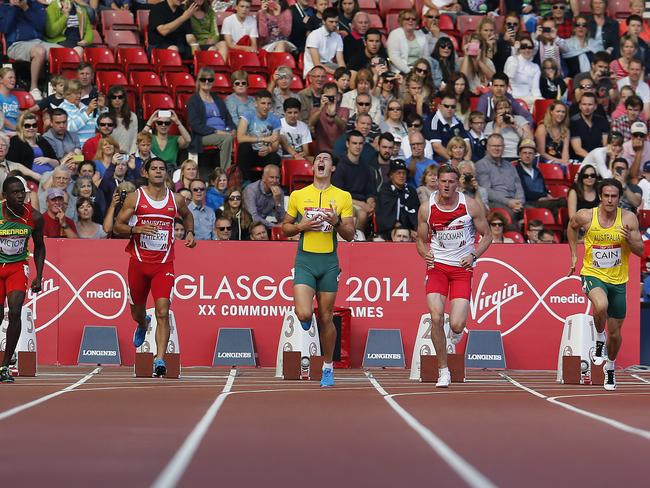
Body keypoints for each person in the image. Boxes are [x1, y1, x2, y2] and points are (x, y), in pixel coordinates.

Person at [114, 158, 196, 377]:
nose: (158, 172)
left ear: (166, 174)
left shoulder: (175, 199)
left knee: (163, 310)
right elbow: (117, 226)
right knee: (136, 313)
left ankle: (159, 359)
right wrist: (136, 229)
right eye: (154, 169)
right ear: (145, 172)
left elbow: (188, 216)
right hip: (139, 263)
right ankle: (142, 323)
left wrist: (189, 233)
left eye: (162, 169)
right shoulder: (136, 197)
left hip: (164, 264)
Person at [281, 151, 355, 387]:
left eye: (326, 159)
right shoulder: (299, 195)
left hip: (329, 262)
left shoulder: (343, 197)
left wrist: (336, 222)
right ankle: (305, 323)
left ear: (332, 168)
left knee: (325, 318)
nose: (321, 161)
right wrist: (301, 226)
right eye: (317, 160)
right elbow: (285, 227)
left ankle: (327, 368)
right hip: (305, 260)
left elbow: (350, 235)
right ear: (313, 168)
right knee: (304, 313)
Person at [416, 165, 492, 388]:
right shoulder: (426, 208)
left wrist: (474, 255)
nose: (447, 185)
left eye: (451, 181)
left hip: (461, 269)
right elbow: (420, 240)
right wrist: (425, 254)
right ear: (437, 182)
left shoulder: (469, 205)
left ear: (457, 183)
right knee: (437, 317)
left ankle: (456, 332)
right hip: (437, 267)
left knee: (457, 325)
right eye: (443, 181)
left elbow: (487, 235)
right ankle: (443, 370)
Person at [568, 178, 644, 390]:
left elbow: (640, 251)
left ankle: (610, 367)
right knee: (601, 306)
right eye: (606, 196)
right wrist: (574, 254)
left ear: (619, 198)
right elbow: (571, 227)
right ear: (600, 197)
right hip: (592, 274)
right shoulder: (586, 215)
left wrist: (629, 238)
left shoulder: (628, 219)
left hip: (618, 280)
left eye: (614, 196)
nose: (610, 200)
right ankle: (598, 339)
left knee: (616, 334)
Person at [0, 176, 45, 383]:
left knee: (16, 310)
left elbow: (40, 247)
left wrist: (39, 274)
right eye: (15, 192)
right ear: (5, 196)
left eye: (22, 192)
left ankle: (4, 365)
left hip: (17, 266)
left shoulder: (34, 216)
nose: (20, 196)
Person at [0, 1, 60, 100]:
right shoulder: (4, 7)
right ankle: (34, 88)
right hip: (16, 44)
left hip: (38, 41)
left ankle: (58, 87)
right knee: (39, 51)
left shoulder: (35, 5)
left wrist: (25, 8)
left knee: (62, 52)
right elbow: (5, 28)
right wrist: (13, 8)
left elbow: (41, 26)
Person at [187, 67, 236, 169]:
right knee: (227, 138)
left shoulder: (217, 98)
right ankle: (225, 173)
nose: (207, 82)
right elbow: (195, 126)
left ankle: (241, 175)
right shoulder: (193, 100)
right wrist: (216, 131)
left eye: (210, 80)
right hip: (204, 135)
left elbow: (228, 118)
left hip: (224, 132)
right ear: (198, 80)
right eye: (203, 79)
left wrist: (232, 129)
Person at [475, 133, 525, 220]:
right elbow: (487, 191)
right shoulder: (481, 165)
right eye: (493, 146)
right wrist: (508, 202)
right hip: (495, 203)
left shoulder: (510, 166)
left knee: (534, 212)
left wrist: (520, 202)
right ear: (487, 147)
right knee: (510, 214)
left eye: (499, 146)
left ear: (504, 147)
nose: (497, 148)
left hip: (515, 202)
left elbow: (518, 187)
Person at [236, 89, 282, 180]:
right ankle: (245, 182)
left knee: (275, 157)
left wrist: (269, 149)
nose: (266, 107)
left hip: (264, 154)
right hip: (250, 153)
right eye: (263, 103)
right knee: (244, 147)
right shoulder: (247, 115)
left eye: (269, 104)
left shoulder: (275, 119)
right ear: (256, 104)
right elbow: (240, 138)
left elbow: (275, 145)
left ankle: (269, 184)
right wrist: (263, 139)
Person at [376, 160, 419, 240]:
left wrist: (414, 229)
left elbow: (417, 213)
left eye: (404, 173)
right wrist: (405, 230)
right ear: (391, 175)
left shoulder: (411, 192)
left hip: (412, 232)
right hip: (389, 231)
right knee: (401, 235)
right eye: (398, 173)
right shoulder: (384, 192)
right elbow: (383, 216)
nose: (402, 176)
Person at [7, 112, 58, 177]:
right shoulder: (15, 141)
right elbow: (12, 164)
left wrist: (48, 160)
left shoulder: (42, 140)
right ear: (21, 127)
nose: (31, 128)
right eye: (27, 126)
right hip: (30, 178)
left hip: (52, 175)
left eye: (34, 125)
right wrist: (35, 176)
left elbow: (57, 163)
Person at [303, 7, 345, 77]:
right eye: (331, 22)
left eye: (336, 22)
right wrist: (336, 73)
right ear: (323, 21)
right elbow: (317, 64)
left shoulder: (338, 37)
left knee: (348, 74)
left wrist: (344, 73)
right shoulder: (314, 35)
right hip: (313, 69)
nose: (334, 24)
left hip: (329, 66)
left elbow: (341, 62)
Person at [243, 164, 285, 230]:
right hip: (246, 225)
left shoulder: (279, 192)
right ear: (263, 178)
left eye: (277, 178)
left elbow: (281, 219)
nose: (274, 181)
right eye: (271, 177)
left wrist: (277, 201)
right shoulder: (251, 190)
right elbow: (253, 217)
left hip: (264, 226)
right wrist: (274, 226)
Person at [386, 9, 428, 75]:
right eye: (407, 19)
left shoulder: (421, 35)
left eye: (413, 19)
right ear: (401, 21)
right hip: (400, 71)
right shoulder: (395, 34)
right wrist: (409, 72)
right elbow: (393, 57)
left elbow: (426, 56)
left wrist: (420, 70)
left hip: (419, 71)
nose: (410, 21)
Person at [569, 92, 610, 160]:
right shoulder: (573, 122)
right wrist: (593, 159)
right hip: (579, 160)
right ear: (580, 106)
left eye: (590, 104)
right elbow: (578, 150)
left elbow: (605, 145)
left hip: (599, 158)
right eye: (584, 104)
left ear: (595, 106)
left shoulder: (602, 121)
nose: (586, 108)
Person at [535, 101, 571, 166]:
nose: (561, 114)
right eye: (558, 111)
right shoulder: (542, 128)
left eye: (563, 112)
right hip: (545, 162)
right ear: (551, 112)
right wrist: (560, 161)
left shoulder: (566, 130)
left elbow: (565, 151)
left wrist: (565, 161)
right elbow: (541, 153)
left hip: (561, 162)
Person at [106, 85, 138, 155]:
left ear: (124, 99)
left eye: (120, 97)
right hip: (110, 156)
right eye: (114, 97)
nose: (117, 100)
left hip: (129, 156)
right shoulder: (106, 117)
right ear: (110, 100)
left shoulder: (132, 116)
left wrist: (131, 155)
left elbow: (134, 139)